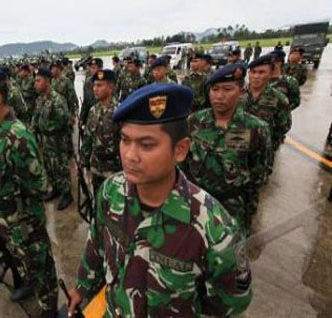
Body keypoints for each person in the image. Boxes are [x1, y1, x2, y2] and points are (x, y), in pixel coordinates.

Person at [68, 83, 252, 317]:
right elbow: (96, 246)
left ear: (180, 150)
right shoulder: (110, 192)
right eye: (125, 140)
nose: (130, 155)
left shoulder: (214, 229)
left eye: (146, 145)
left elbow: (230, 305)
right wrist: (83, 287)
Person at [0, 70, 58, 317]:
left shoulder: (16, 136)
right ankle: (30, 285)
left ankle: (49, 309)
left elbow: (39, 185)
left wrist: (15, 204)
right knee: (24, 263)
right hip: (5, 223)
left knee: (42, 270)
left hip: (24, 223)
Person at [182, 64, 271, 233]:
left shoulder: (256, 128)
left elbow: (258, 175)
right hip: (196, 202)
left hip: (231, 209)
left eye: (228, 89)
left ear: (241, 91)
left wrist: (248, 214)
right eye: (215, 89)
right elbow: (182, 163)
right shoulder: (194, 121)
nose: (220, 96)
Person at [32, 68, 73, 210]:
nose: (35, 84)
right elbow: (35, 119)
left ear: (47, 81)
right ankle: (55, 188)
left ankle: (67, 194)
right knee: (49, 166)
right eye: (35, 81)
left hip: (57, 142)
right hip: (45, 141)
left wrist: (46, 128)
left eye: (38, 81)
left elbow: (63, 121)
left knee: (60, 167)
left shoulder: (57, 99)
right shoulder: (40, 100)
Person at [242, 55, 291, 172]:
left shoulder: (279, 99)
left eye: (261, 72)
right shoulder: (238, 94)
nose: (256, 76)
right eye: (253, 72)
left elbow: (283, 126)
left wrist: (267, 142)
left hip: (262, 151)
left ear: (270, 74)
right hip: (237, 146)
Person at [80, 70, 121, 195]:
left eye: (100, 85)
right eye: (94, 85)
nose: (95, 89)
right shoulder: (93, 110)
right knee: (98, 202)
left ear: (111, 87)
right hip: (96, 168)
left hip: (114, 170)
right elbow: (87, 137)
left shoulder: (119, 111)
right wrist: (84, 163)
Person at [80, 58, 103, 128]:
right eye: (91, 68)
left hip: (102, 117)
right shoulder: (87, 82)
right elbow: (85, 102)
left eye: (94, 68)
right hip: (90, 116)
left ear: (100, 69)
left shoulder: (105, 82)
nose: (91, 70)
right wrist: (82, 119)